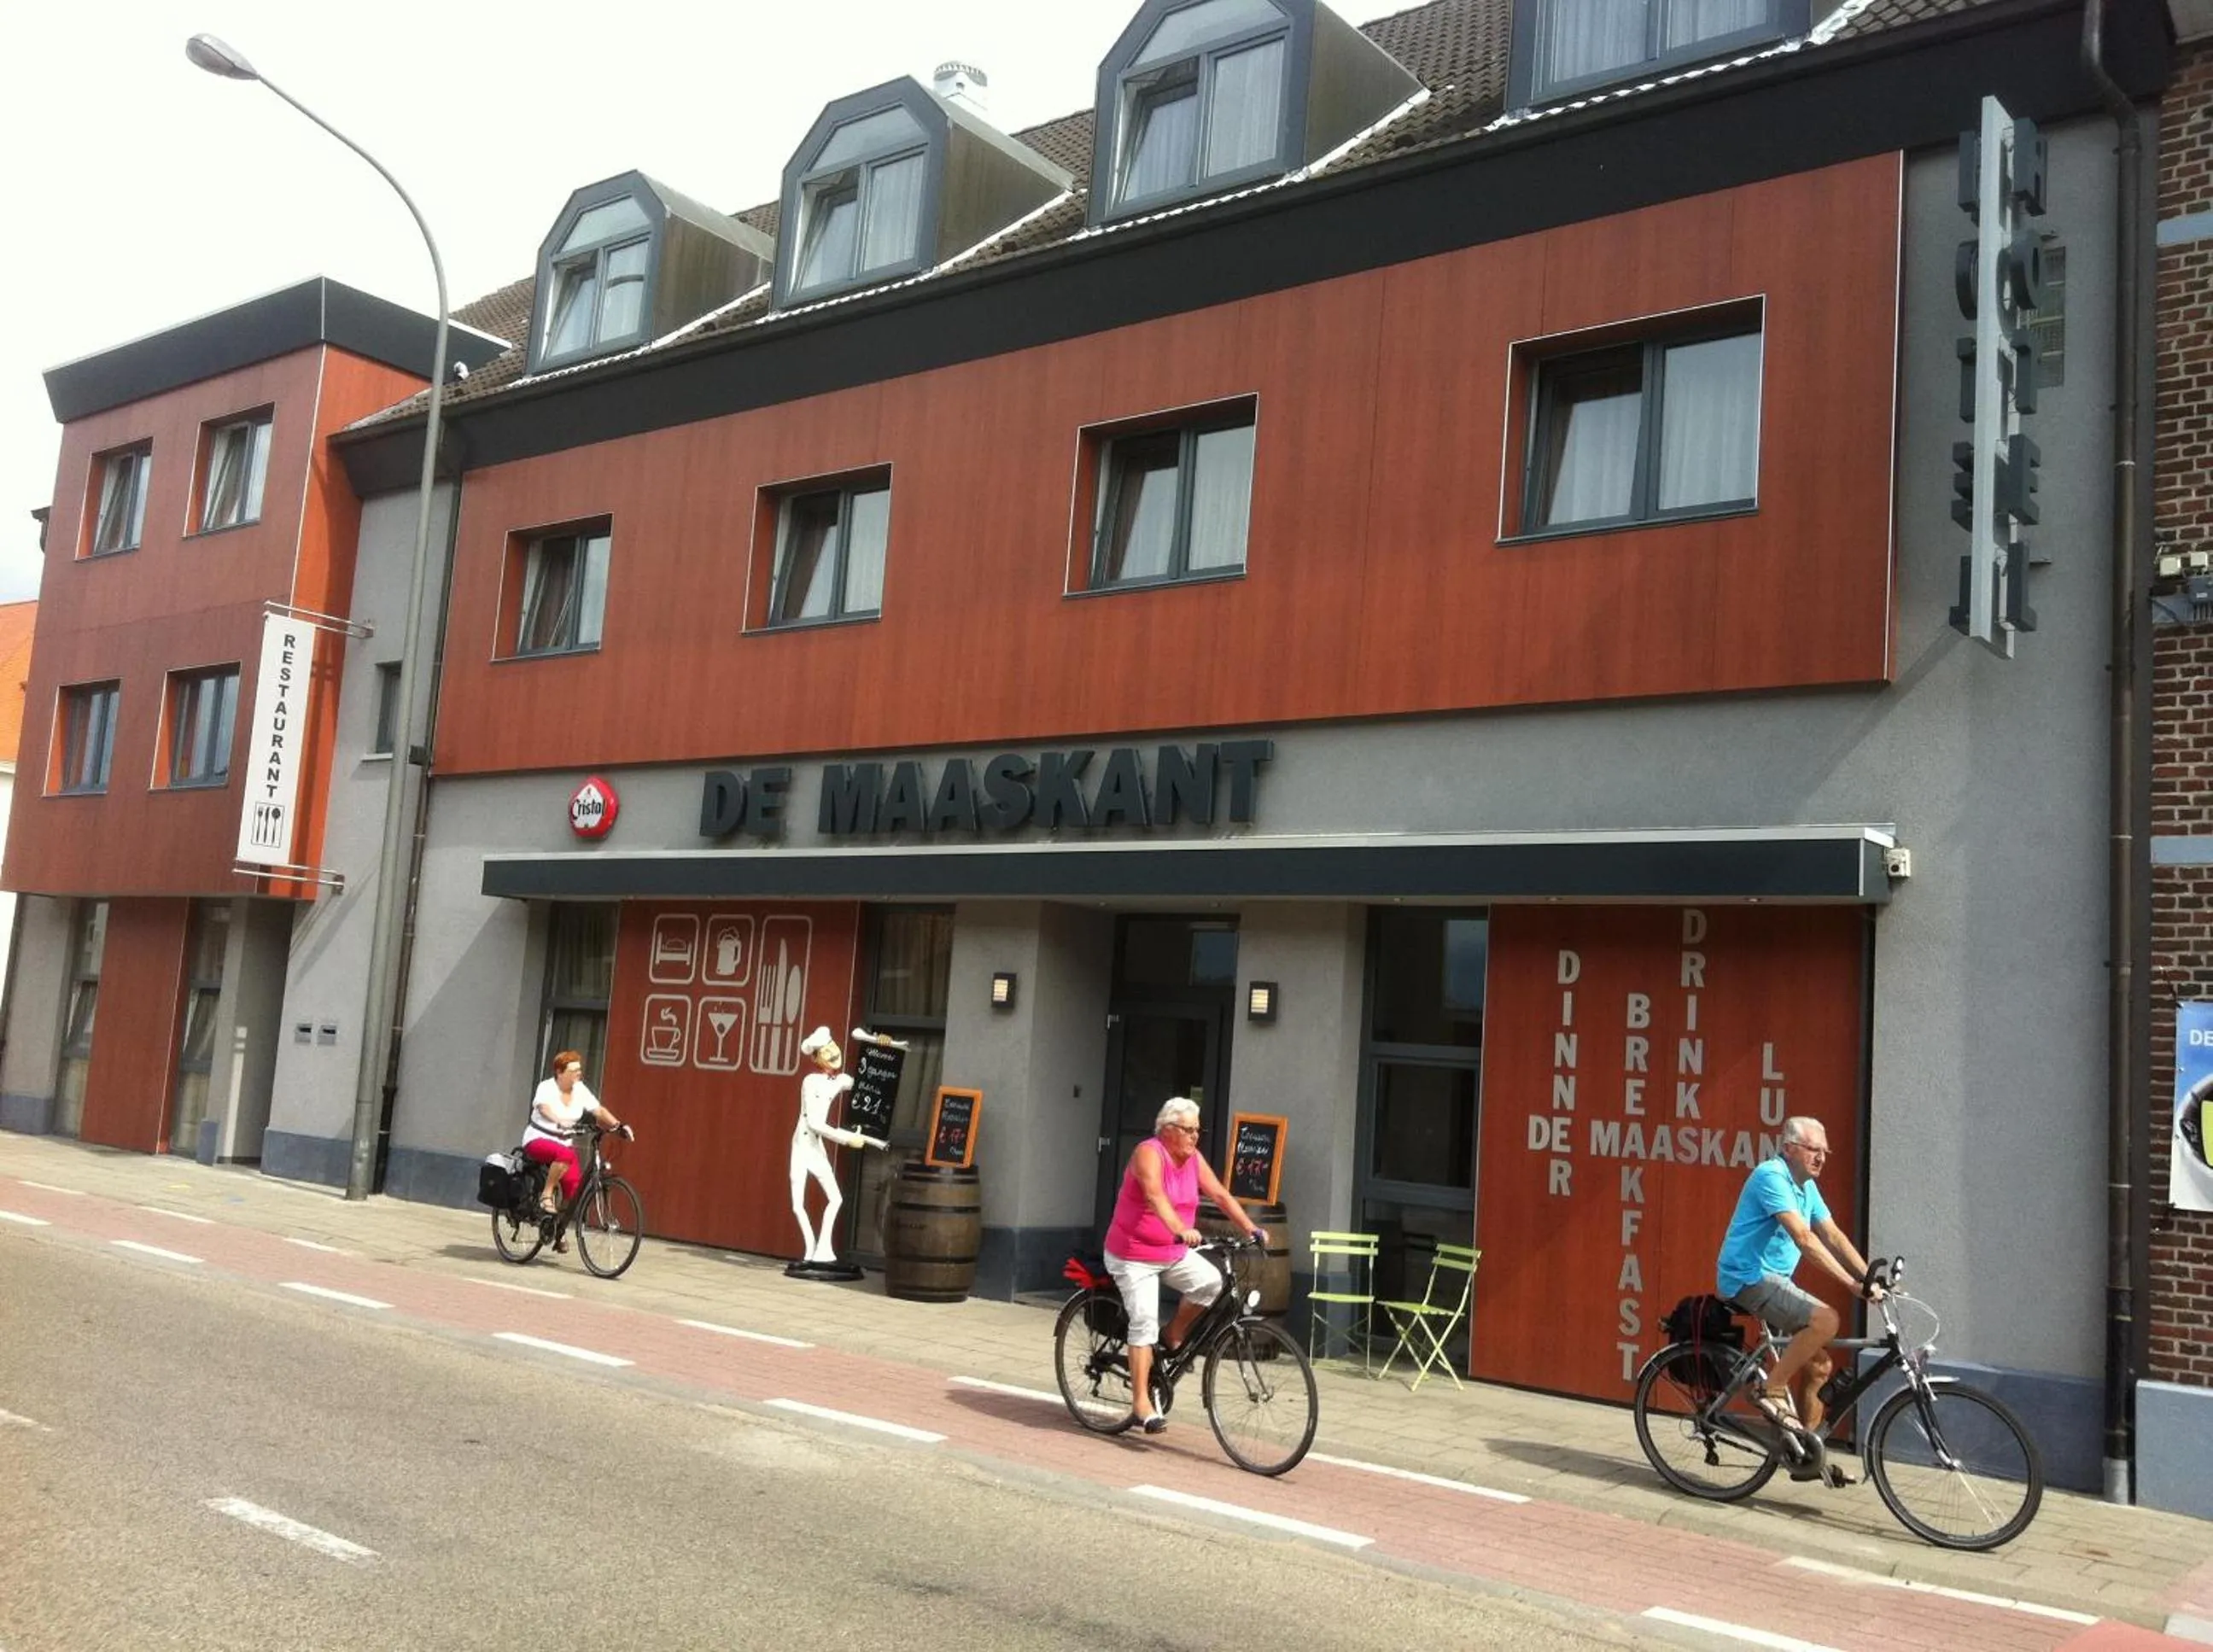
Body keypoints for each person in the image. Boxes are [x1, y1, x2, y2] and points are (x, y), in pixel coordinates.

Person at [1715, 1115, 1881, 1476]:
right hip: (1747, 1278)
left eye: (1825, 1151)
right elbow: (1805, 1239)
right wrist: (1851, 1286)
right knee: (1826, 1320)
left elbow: (1832, 1234)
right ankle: (1771, 1388)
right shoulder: (1771, 1176)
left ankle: (1807, 1455)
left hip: (1775, 1281)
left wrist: (1869, 1278)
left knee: (1820, 1366)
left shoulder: (1806, 1185)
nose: (1821, 1157)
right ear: (1789, 1149)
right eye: (1813, 1150)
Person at [1103, 1097, 1265, 1434]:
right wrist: (1179, 1228)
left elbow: (1219, 1194)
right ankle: (1140, 1405)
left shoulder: (1192, 1159)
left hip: (1171, 1253)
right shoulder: (1148, 1153)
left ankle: (1174, 1332)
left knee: (1211, 1283)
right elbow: (1154, 1196)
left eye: (1197, 1130)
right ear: (1168, 1130)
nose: (1195, 1137)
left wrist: (1250, 1228)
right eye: (1189, 1130)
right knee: (1144, 1320)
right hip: (1133, 1256)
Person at [791, 1026, 886, 1270]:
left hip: (816, 1147)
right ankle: (810, 1249)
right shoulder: (810, 1081)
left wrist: (880, 1050)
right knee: (797, 1204)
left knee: (836, 1198)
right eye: (826, 1050)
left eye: (833, 1047)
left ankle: (824, 1248)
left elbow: (867, 1085)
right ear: (815, 1057)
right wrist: (847, 1139)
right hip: (802, 1145)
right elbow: (815, 1123)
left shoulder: (840, 1080)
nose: (833, 1053)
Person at [522, 1052, 628, 1240]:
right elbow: (543, 1108)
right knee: (565, 1155)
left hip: (564, 1142)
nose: (578, 1074)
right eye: (573, 1070)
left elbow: (598, 1110)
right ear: (560, 1072)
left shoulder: (580, 1089)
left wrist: (618, 1126)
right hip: (539, 1139)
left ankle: (556, 1228)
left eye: (579, 1070)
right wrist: (558, 1120)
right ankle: (546, 1195)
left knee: (574, 1188)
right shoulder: (546, 1087)